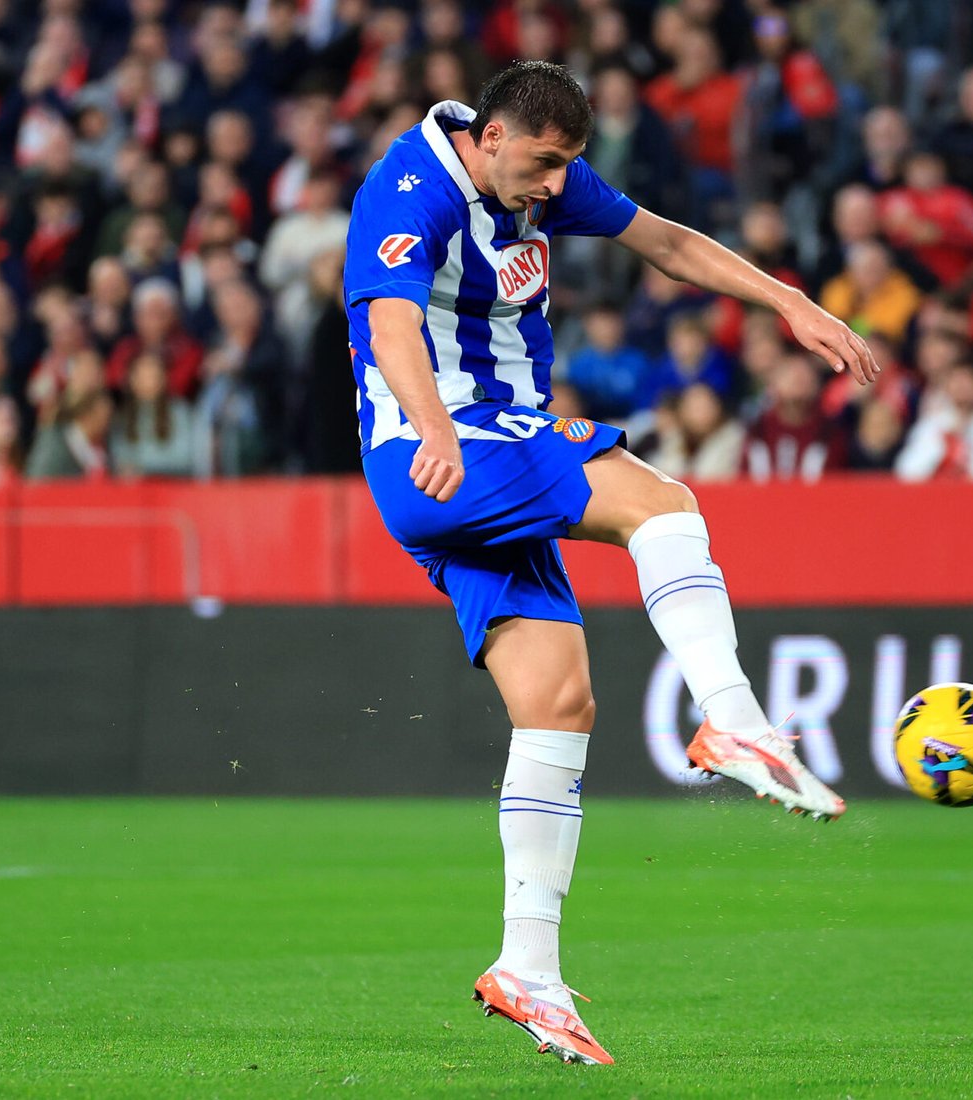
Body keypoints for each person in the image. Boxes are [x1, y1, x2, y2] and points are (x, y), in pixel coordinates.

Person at [341, 63, 877, 1066]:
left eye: (566, 171)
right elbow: (390, 321)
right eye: (542, 167)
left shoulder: (536, 173)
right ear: (492, 136)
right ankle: (731, 716)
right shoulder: (408, 189)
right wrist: (433, 428)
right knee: (663, 504)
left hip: (465, 465)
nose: (554, 189)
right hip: (447, 446)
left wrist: (785, 301)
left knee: (556, 701)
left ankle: (526, 970)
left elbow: (666, 242)